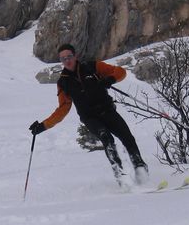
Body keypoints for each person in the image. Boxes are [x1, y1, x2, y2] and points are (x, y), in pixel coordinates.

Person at [29, 43, 148, 185]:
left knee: (127, 138)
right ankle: (121, 176)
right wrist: (43, 126)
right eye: (63, 58)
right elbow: (63, 109)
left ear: (75, 56)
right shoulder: (63, 82)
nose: (67, 60)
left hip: (108, 111)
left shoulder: (92, 67)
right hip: (90, 118)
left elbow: (121, 72)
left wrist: (110, 79)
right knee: (107, 138)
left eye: (69, 56)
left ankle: (141, 172)